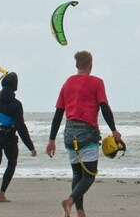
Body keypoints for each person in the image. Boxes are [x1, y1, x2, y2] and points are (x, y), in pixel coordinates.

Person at [46, 51, 122, 217]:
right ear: (90, 65)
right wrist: (114, 130)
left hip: (69, 132)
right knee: (89, 175)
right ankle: (71, 201)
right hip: (87, 133)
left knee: (77, 174)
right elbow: (104, 107)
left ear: (76, 65)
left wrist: (51, 139)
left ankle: (80, 212)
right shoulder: (96, 82)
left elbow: (58, 113)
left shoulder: (67, 83)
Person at [0, 72, 37, 202]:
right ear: (15, 86)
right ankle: (1, 195)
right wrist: (31, 147)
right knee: (11, 163)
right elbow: (20, 127)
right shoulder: (16, 104)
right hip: (8, 138)